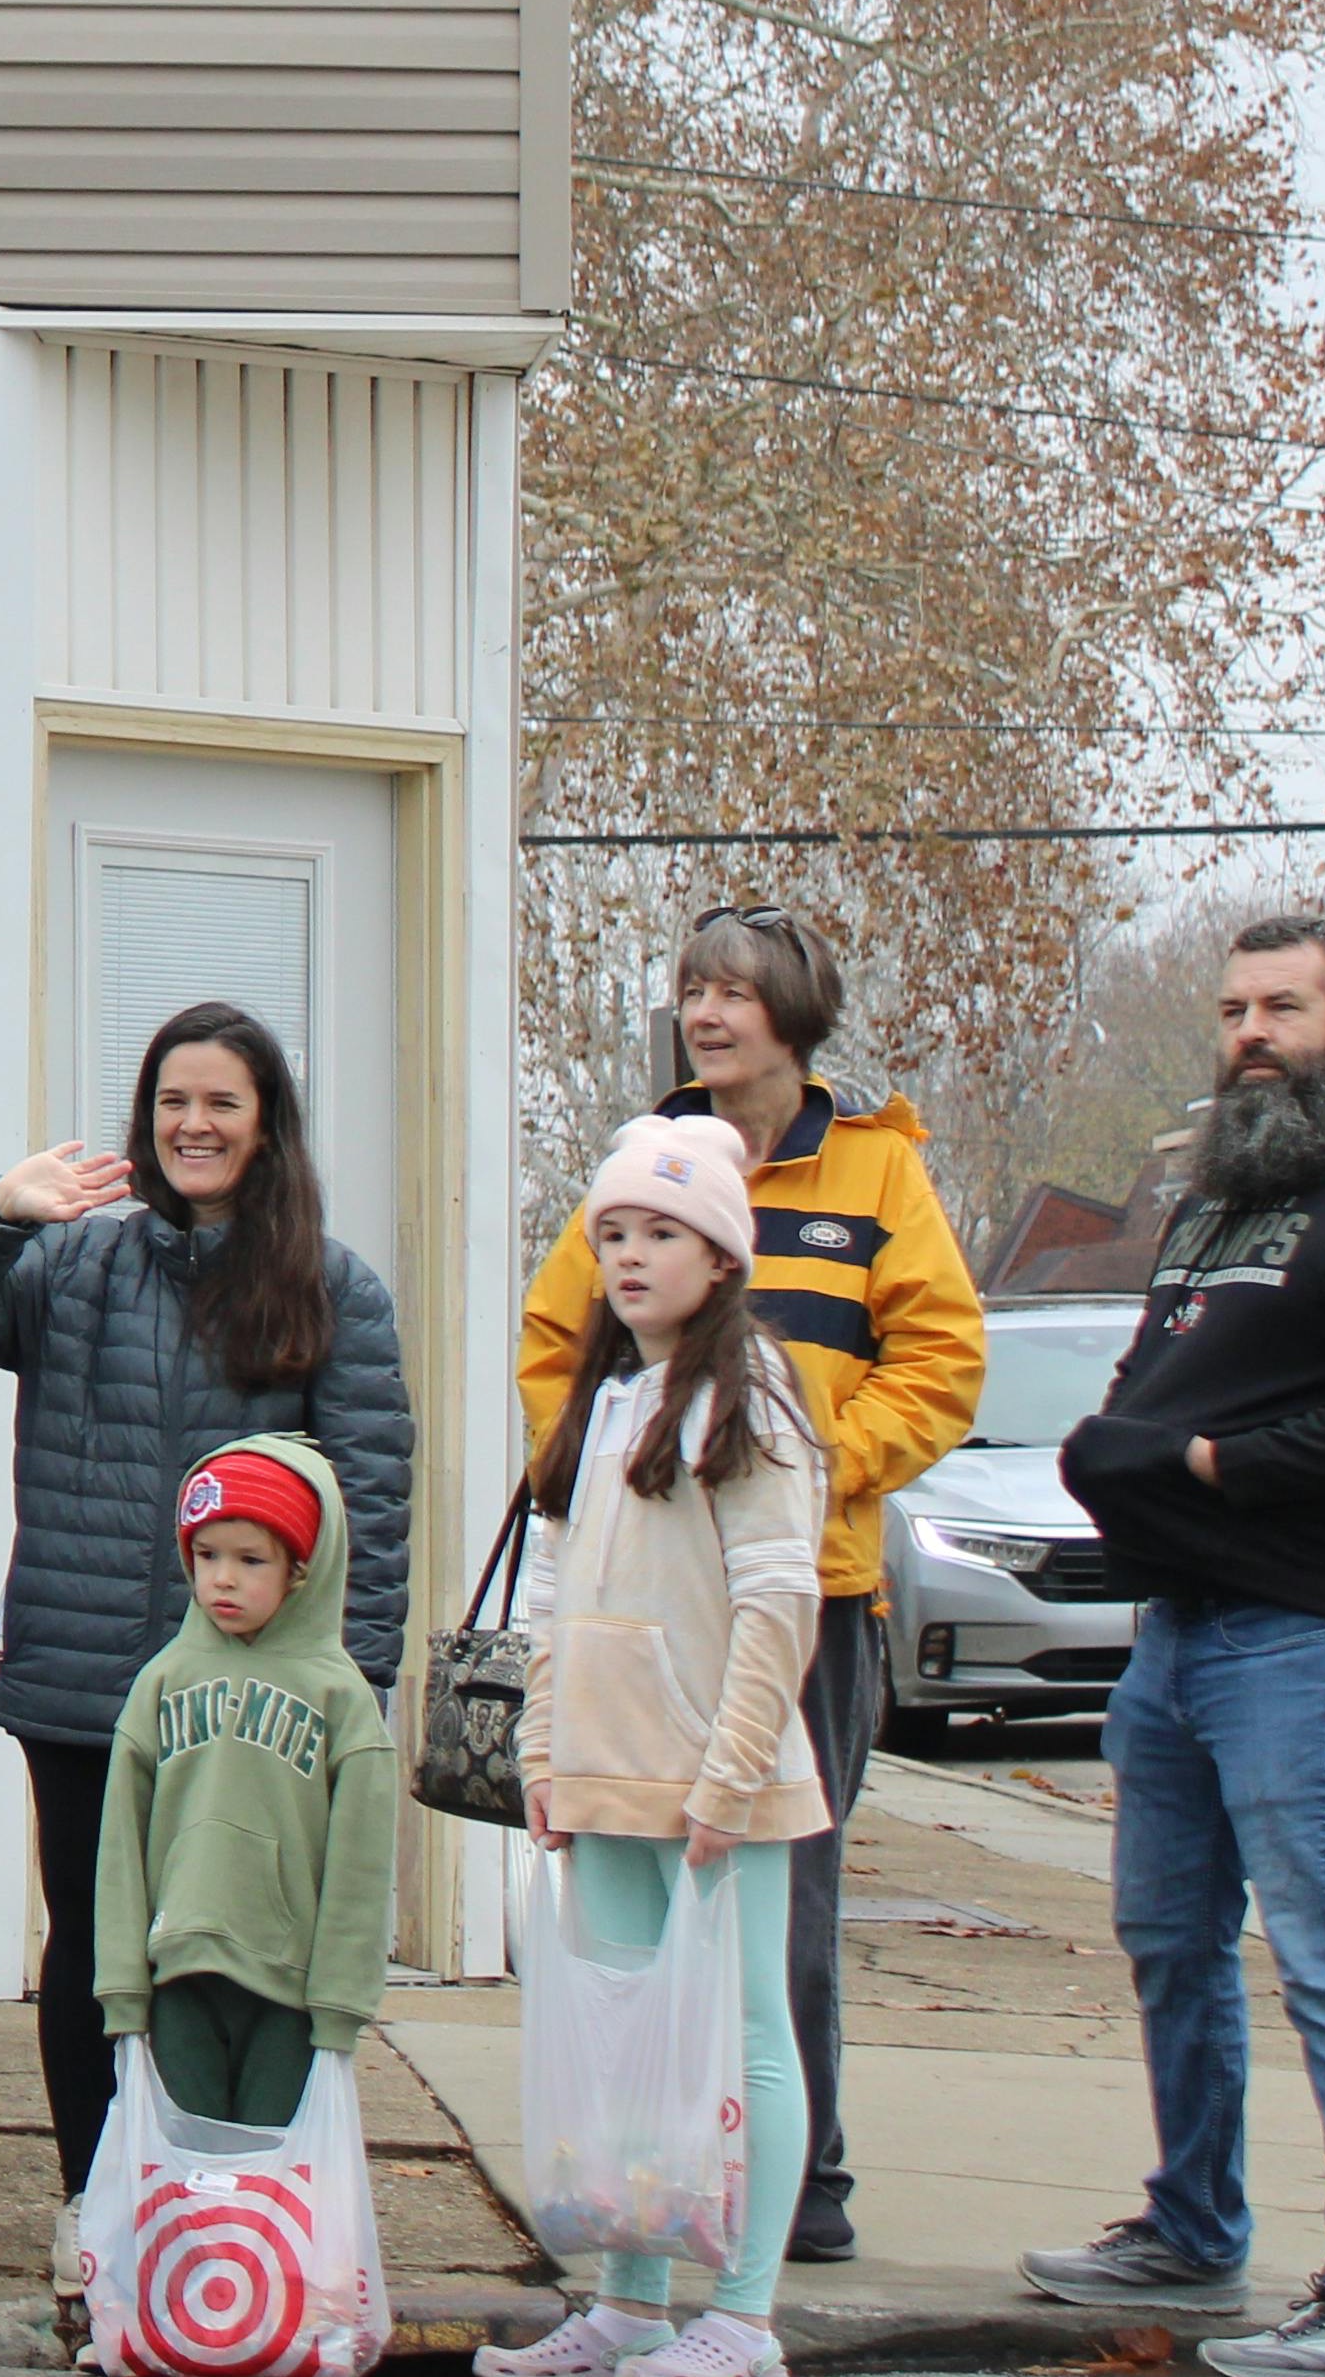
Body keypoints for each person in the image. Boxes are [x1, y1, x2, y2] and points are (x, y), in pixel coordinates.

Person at [1016, 916, 1325, 2377]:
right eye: (1232, 1008)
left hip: (1318, 1641)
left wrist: (1217, 1465)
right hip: (1181, 1635)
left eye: (1283, 1005)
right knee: (1169, 1938)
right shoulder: (1218, 1203)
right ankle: (1192, 2221)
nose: (1250, 1031)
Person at [0, 1002, 416, 2212]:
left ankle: (222, 2211)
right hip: (78, 1684)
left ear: (267, 1124)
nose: (195, 1124)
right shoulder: (72, 1264)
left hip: (251, 1706)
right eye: (175, 1101)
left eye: (223, 1102)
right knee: (92, 1953)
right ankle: (98, 2206)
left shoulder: (333, 1291)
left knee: (232, 1962)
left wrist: (359, 1694)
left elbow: (370, 1508)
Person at [513, 906, 980, 2263]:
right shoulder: (640, 1164)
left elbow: (942, 1360)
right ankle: (646, 2237)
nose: (706, 1014)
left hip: (805, 1592)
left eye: (734, 992)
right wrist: (618, 1462)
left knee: (785, 1920)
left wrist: (813, 1461)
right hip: (642, 1611)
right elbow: (562, 1340)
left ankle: (796, 2188)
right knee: (634, 1936)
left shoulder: (880, 1170)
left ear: (795, 1013)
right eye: (690, 991)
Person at [482, 1113, 829, 2377]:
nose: (631, 1255)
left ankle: (742, 2314)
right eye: (614, 1231)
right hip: (606, 1774)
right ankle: (629, 2304)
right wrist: (540, 1752)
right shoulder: (607, 1392)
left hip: (712, 1785)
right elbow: (551, 1586)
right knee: (630, 2048)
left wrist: (730, 1778)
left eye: (663, 1231)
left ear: (723, 1255)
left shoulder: (754, 1396)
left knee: (740, 2038)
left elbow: (779, 1599)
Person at [91, 1439, 394, 2142]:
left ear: (301, 1570)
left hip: (287, 1989)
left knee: (266, 2183)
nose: (223, 1578)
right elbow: (119, 1847)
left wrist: (340, 2002)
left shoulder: (340, 1696)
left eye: (251, 1559)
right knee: (187, 2178)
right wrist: (123, 1987)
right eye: (207, 1555)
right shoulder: (162, 1682)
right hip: (177, 1978)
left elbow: (361, 1864)